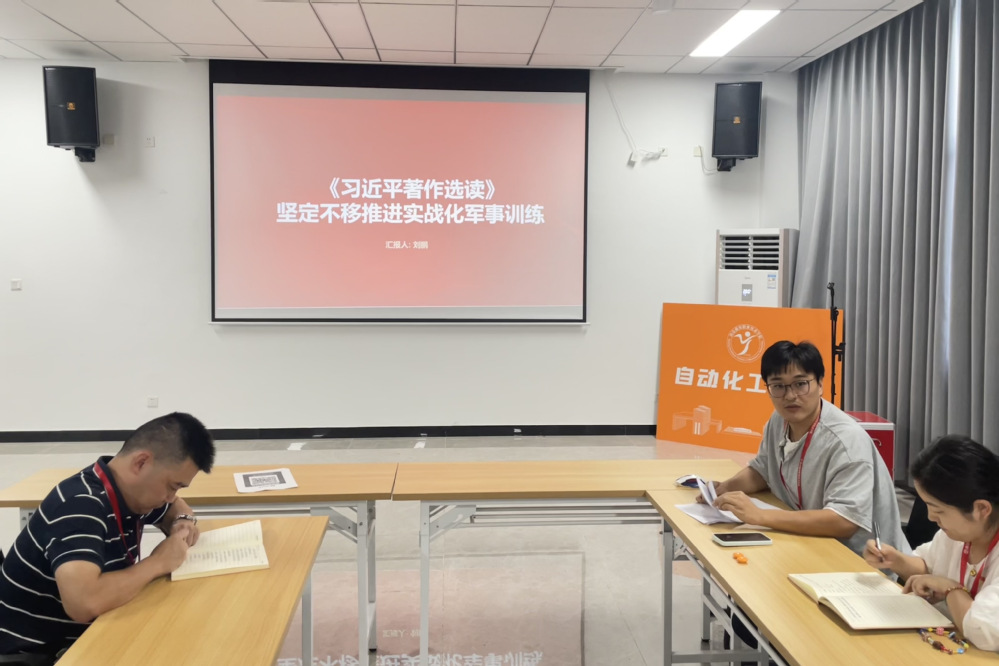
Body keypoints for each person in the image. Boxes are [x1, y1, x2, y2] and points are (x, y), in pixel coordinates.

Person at [0, 412, 215, 661]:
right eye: (172, 485)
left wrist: (183, 521)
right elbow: (84, 603)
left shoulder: (129, 490)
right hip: (39, 653)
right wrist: (158, 562)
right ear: (141, 463)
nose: (170, 497)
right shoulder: (79, 505)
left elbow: (175, 507)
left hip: (89, 631)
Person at [703, 339, 908, 556]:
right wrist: (724, 489)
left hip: (861, 559)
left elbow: (844, 521)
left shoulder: (846, 441)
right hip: (809, 541)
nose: (790, 396)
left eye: (800, 384)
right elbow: (763, 471)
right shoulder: (779, 420)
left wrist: (759, 516)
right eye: (778, 386)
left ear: (820, 384)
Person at [863, 435, 999, 651]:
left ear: (982, 509)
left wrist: (950, 588)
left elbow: (985, 631)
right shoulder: (958, 534)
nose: (930, 517)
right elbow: (930, 566)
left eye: (938, 510)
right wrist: (895, 560)